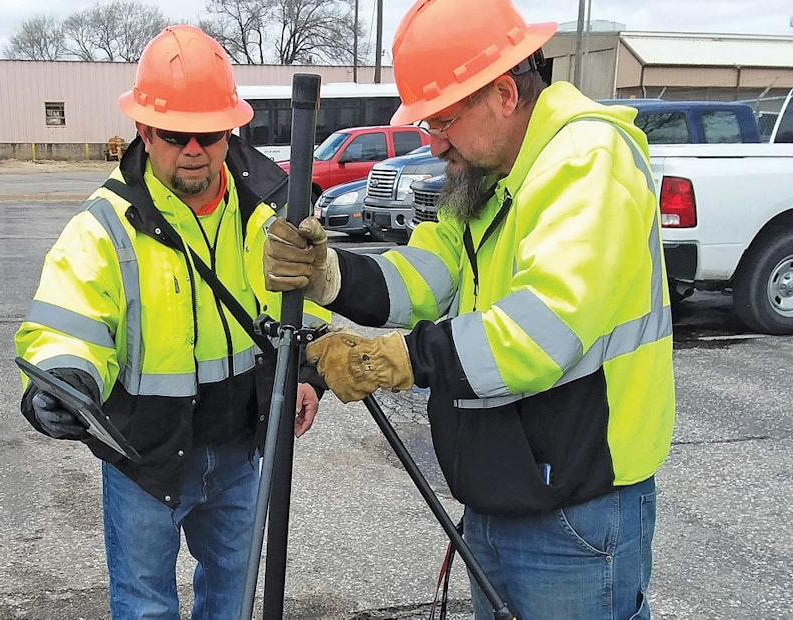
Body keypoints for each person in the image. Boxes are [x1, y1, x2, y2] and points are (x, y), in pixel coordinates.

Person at [263, 0, 676, 618]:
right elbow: (426, 275)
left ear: (505, 93)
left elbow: (538, 333)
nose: (432, 143)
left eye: (443, 121)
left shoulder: (587, 162)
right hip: (499, 493)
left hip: (576, 508)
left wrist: (394, 360)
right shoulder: (487, 172)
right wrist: (330, 276)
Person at [15, 25, 329, 620]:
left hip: (239, 452)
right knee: (144, 608)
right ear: (142, 130)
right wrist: (65, 378)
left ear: (229, 131)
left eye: (208, 133)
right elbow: (70, 317)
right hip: (145, 457)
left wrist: (308, 370)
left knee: (232, 602)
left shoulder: (266, 214)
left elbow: (296, 308)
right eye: (174, 133)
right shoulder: (103, 225)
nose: (193, 148)